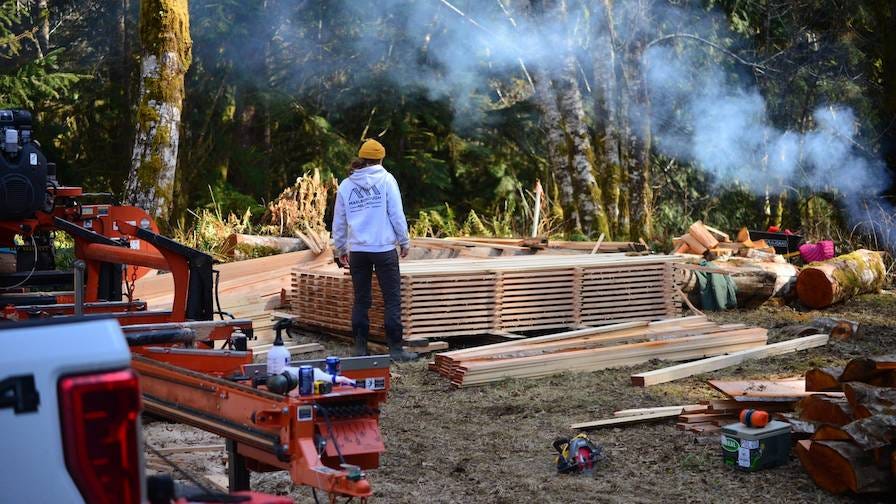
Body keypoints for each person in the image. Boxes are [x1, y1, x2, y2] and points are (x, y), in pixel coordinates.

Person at [332, 139, 418, 362]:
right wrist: (404, 241)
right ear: (381, 158)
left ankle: (360, 350)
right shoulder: (387, 180)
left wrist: (340, 248)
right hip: (384, 248)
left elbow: (339, 221)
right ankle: (396, 351)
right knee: (392, 299)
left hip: (358, 250)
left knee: (361, 300)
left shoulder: (346, 185)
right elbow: (396, 214)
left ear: (362, 158)